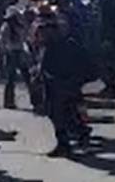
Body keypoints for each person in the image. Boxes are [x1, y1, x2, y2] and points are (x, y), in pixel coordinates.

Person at [38, 17, 95, 156]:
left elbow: (85, 65)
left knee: (62, 115)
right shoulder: (49, 46)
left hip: (65, 86)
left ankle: (72, 139)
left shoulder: (68, 45)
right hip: (54, 86)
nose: (44, 35)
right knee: (58, 115)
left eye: (48, 31)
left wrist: (74, 81)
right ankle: (76, 135)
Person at [0, 6, 33, 109]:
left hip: (17, 53)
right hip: (14, 53)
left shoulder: (16, 26)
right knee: (16, 78)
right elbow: (0, 40)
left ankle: (34, 101)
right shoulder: (9, 27)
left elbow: (0, 40)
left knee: (22, 78)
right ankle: (10, 102)